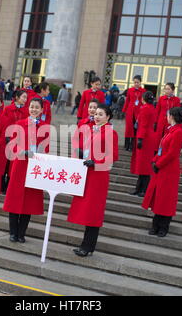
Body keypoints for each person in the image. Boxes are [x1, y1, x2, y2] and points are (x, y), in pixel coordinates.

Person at [67, 104, 119, 257]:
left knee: (93, 211)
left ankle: (88, 246)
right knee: (87, 211)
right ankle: (85, 245)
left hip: (99, 176)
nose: (96, 116)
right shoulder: (92, 130)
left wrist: (96, 163)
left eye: (100, 114)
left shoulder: (111, 133)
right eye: (96, 114)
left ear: (108, 117)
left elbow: (113, 156)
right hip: (88, 173)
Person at [3, 97, 50, 243]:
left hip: (34, 167)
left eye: (37, 107)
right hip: (20, 165)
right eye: (32, 107)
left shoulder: (45, 128)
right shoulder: (19, 124)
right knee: (14, 199)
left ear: (42, 110)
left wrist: (38, 155)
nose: (34, 109)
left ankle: (22, 233)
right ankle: (13, 232)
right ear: (28, 108)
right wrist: (21, 151)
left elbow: (46, 148)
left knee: (28, 201)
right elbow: (13, 144)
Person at [142, 107, 182, 237]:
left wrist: (158, 164)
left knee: (166, 199)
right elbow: (162, 149)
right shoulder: (170, 130)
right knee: (158, 198)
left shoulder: (178, 132)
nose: (166, 117)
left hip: (169, 169)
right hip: (162, 168)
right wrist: (155, 160)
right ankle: (155, 225)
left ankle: (163, 227)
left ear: (171, 116)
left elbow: (172, 153)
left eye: (167, 115)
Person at [1, 90, 30, 193]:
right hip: (7, 140)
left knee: (13, 165)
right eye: (23, 97)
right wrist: (7, 137)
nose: (25, 100)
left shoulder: (27, 111)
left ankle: (9, 185)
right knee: (5, 163)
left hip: (19, 142)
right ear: (17, 97)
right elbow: (3, 122)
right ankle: (1, 185)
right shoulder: (8, 109)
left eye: (26, 98)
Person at [130, 91, 156, 197]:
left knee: (144, 165)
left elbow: (143, 125)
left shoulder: (145, 108)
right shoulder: (152, 108)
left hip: (145, 137)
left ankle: (143, 189)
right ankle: (139, 188)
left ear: (143, 99)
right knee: (144, 165)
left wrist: (140, 138)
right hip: (149, 137)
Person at [123, 75, 146, 151]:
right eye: (135, 82)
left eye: (137, 82)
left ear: (140, 82)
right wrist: (124, 110)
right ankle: (126, 145)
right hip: (130, 111)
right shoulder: (130, 90)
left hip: (138, 112)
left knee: (135, 129)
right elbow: (127, 101)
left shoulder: (143, 91)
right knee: (128, 128)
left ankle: (132, 146)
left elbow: (144, 102)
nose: (136, 84)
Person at [155, 83, 181, 148]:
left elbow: (178, 113)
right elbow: (157, 111)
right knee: (158, 139)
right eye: (165, 89)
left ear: (173, 90)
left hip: (171, 123)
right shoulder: (161, 98)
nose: (166, 91)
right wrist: (155, 122)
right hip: (161, 122)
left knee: (167, 139)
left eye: (168, 89)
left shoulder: (177, 100)